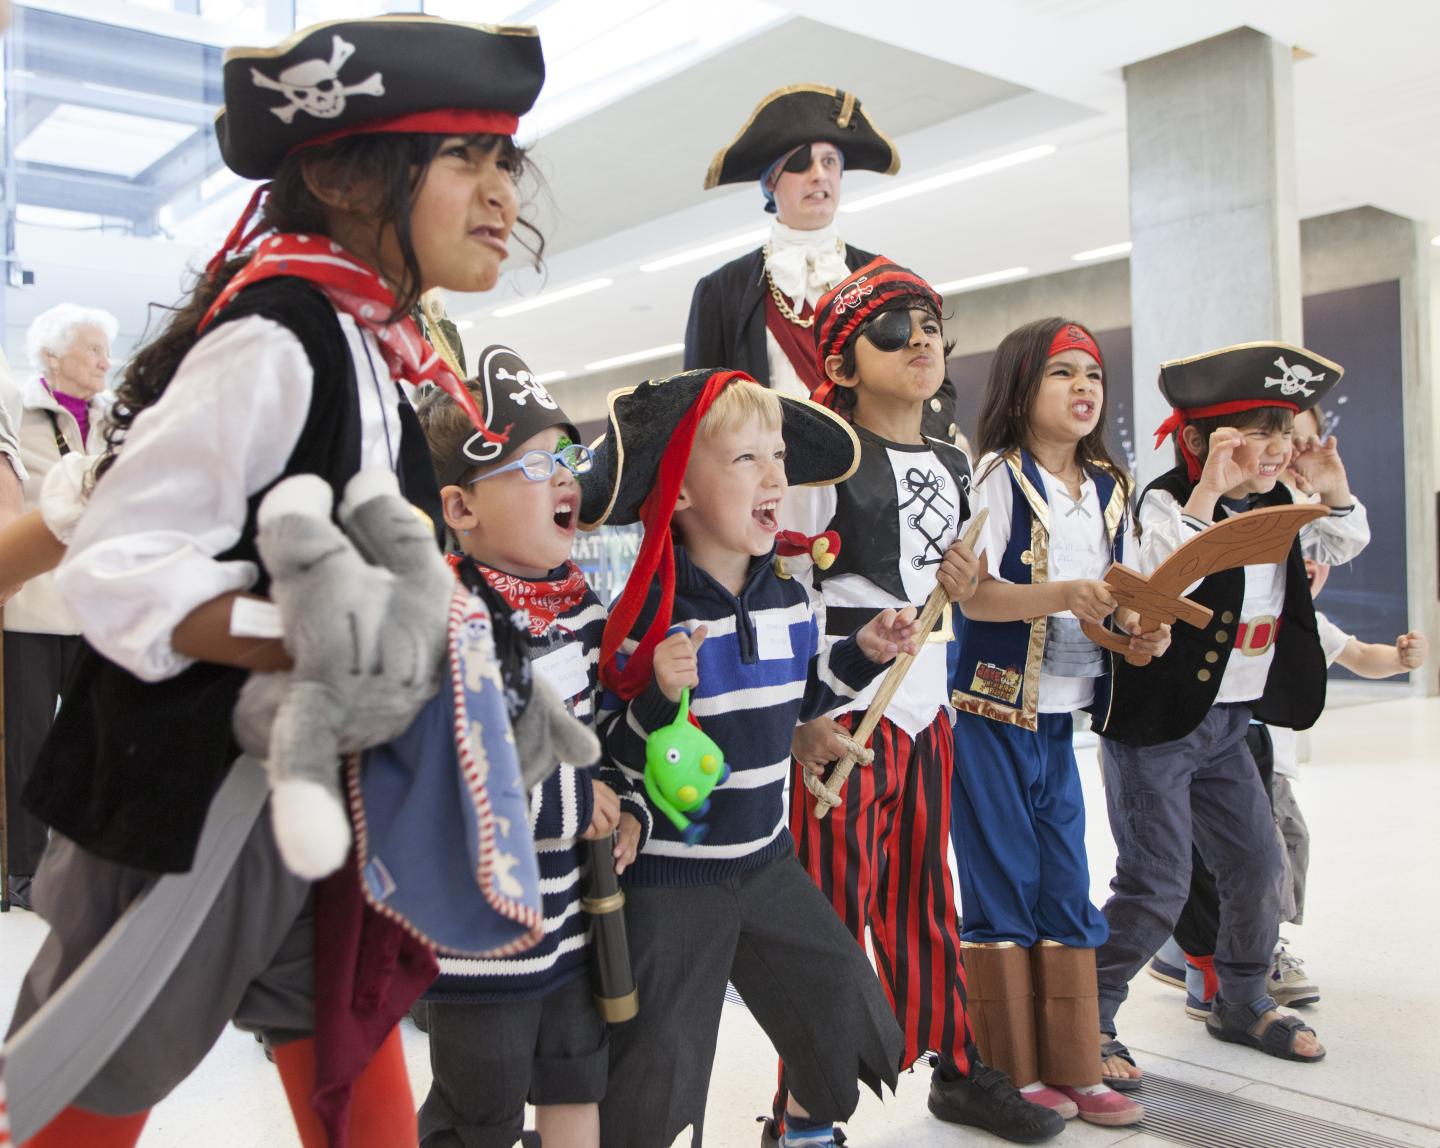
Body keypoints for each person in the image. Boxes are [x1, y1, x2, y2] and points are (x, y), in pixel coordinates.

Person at [6, 16, 547, 1146]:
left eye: (507, 159)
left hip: (319, 802)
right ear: (351, 177)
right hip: (183, 804)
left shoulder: (373, 345)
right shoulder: (276, 336)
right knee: (86, 1086)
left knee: (352, 1064)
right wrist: (308, 636)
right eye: (463, 155)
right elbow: (118, 566)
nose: (502, 191)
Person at [583, 369, 916, 1148]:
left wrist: (862, 655)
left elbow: (803, 698)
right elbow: (607, 753)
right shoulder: (645, 620)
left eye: (779, 457)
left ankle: (798, 1129)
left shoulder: (792, 599)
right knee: (657, 1081)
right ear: (682, 492)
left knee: (844, 1014)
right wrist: (659, 695)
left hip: (768, 862)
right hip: (672, 878)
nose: (776, 475)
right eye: (746, 460)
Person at [781, 261, 1061, 1145]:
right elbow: (782, 590)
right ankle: (804, 1112)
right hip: (845, 708)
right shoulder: (817, 455)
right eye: (895, 331)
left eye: (932, 326)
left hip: (925, 704)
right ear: (846, 360)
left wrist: (969, 580)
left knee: (921, 896)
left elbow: (957, 592)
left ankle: (958, 1064)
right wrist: (796, 721)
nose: (922, 343)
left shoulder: (952, 456)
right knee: (830, 908)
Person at [1091, 341, 1369, 1079]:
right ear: (1196, 441)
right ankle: (1088, 1016)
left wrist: (1333, 489)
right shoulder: (1162, 500)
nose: (1276, 451)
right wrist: (1207, 493)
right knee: (1156, 881)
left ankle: (1242, 998)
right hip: (1155, 728)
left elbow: (1341, 539)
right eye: (1256, 434)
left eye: (1284, 434)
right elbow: (1151, 578)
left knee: (1256, 864)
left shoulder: (1282, 504)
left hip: (1229, 723)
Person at [414, 351, 651, 1148]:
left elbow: (612, 730)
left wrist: (631, 810)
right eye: (534, 464)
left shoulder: (583, 609)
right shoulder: (445, 618)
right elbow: (458, 768)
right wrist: (581, 803)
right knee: (479, 1106)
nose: (564, 480)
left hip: (579, 914)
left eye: (567, 459)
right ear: (460, 506)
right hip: (484, 933)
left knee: (577, 1072)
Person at [949, 319, 1168, 1128]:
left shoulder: (1110, 487)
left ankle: (1075, 1062)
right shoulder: (998, 479)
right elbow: (975, 598)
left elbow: (1122, 596)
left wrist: (1142, 633)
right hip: (992, 711)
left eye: (1095, 375)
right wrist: (1063, 596)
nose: (1084, 388)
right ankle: (1007, 1068)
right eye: (1062, 374)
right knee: (1002, 878)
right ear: (1020, 388)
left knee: (1066, 879)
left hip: (1065, 716)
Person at [683, 85, 959, 441]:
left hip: (872, 474)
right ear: (770, 181)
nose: (819, 174)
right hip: (770, 481)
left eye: (830, 161)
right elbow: (698, 409)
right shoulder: (721, 290)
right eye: (800, 164)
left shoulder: (889, 279)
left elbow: (935, 387)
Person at [0, 304, 115, 910]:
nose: (104, 361)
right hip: (33, 606)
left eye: (105, 350)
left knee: (98, 737)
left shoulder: (117, 416)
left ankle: (88, 865)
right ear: (50, 354)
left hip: (95, 607)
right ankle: (24, 869)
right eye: (92, 349)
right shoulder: (16, 406)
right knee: (29, 743)